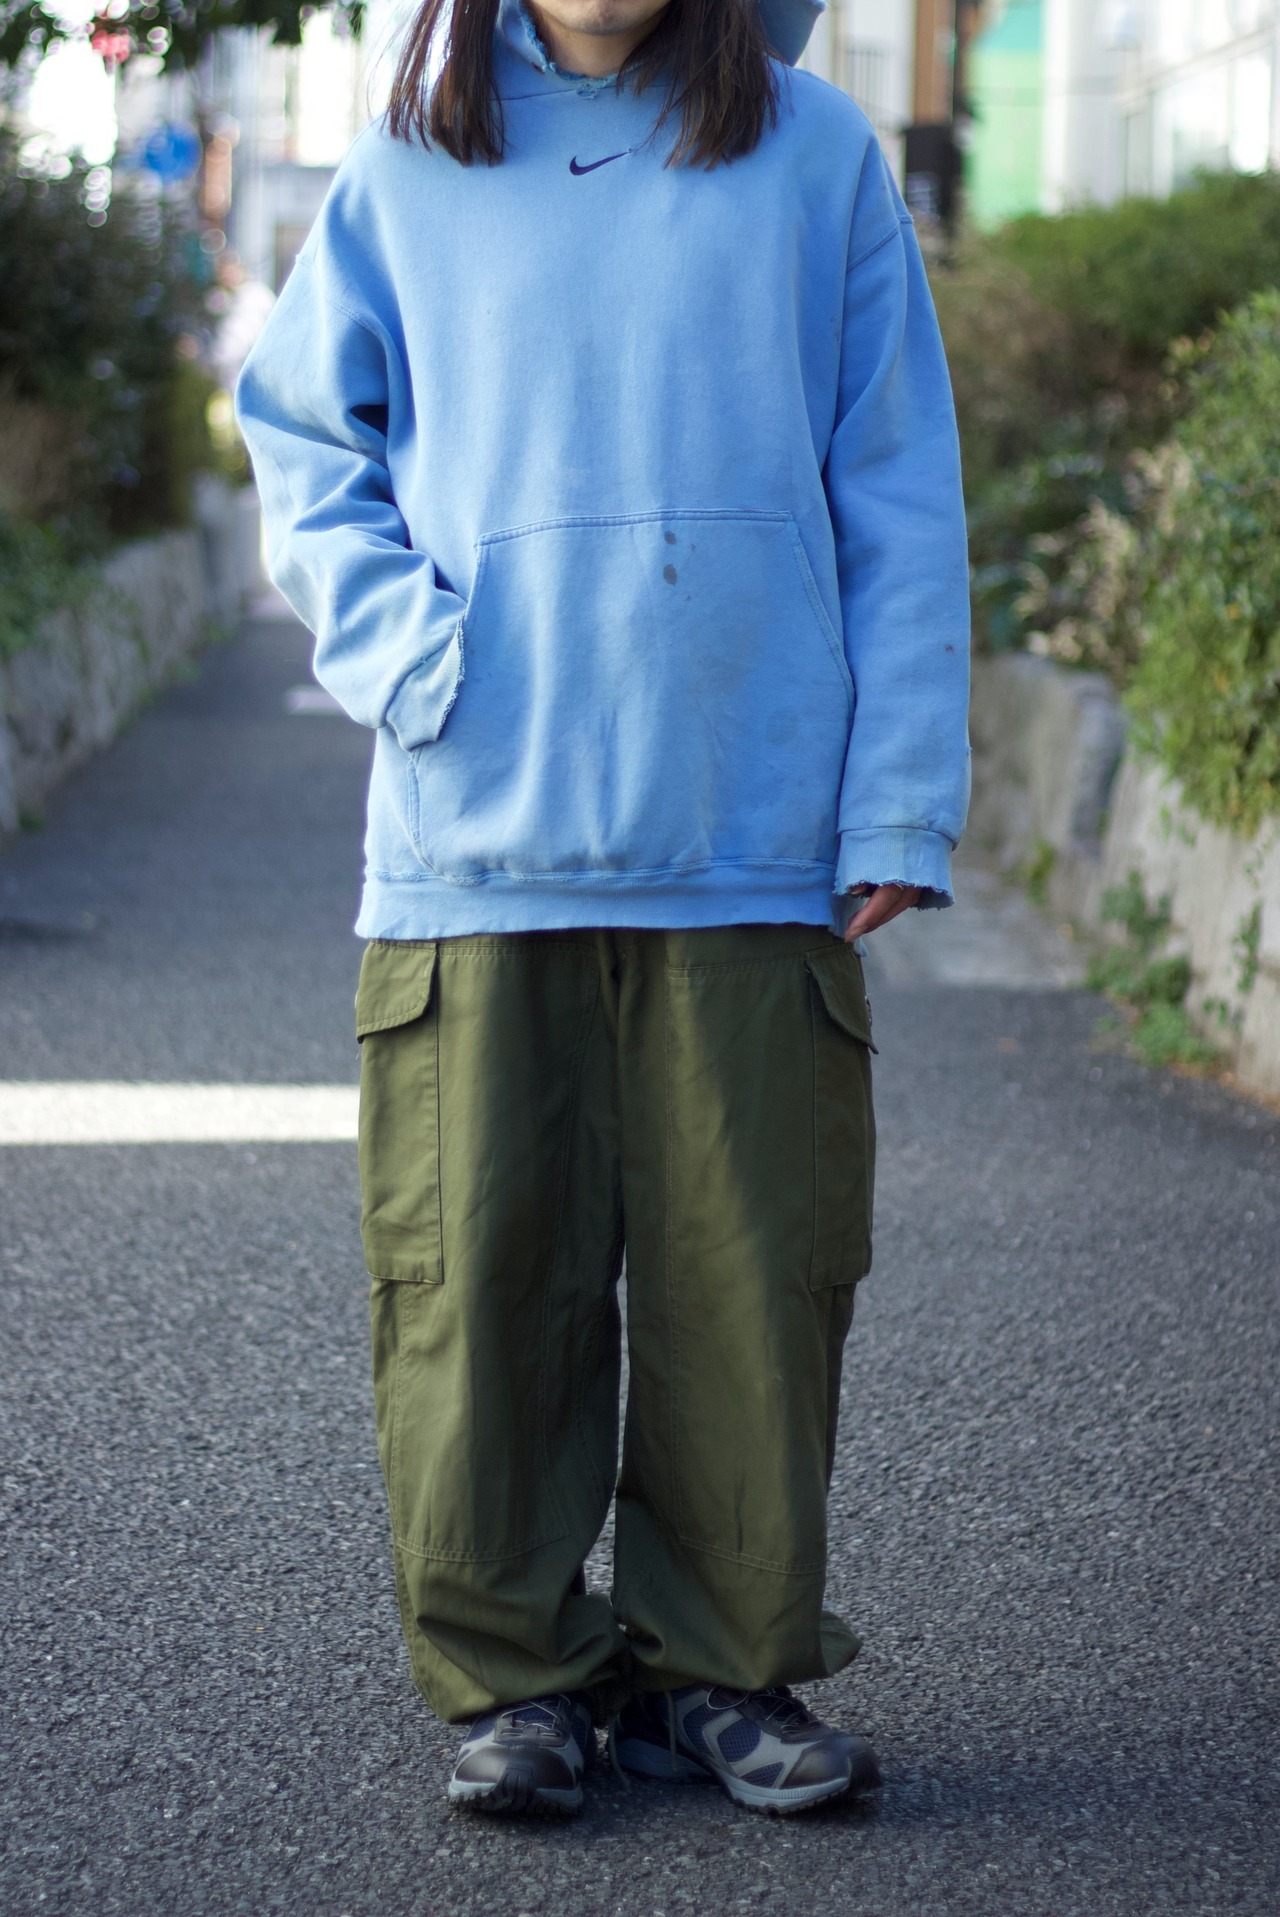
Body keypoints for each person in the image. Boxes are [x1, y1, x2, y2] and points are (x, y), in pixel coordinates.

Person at [236, 0, 969, 1820]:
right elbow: (304, 435)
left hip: (754, 828)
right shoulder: (416, 155)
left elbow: (897, 484)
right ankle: (519, 1680)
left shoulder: (813, 151)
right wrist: (417, 659)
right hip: (478, 842)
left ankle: (720, 1665)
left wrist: (896, 787)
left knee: (754, 1279)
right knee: (482, 1280)